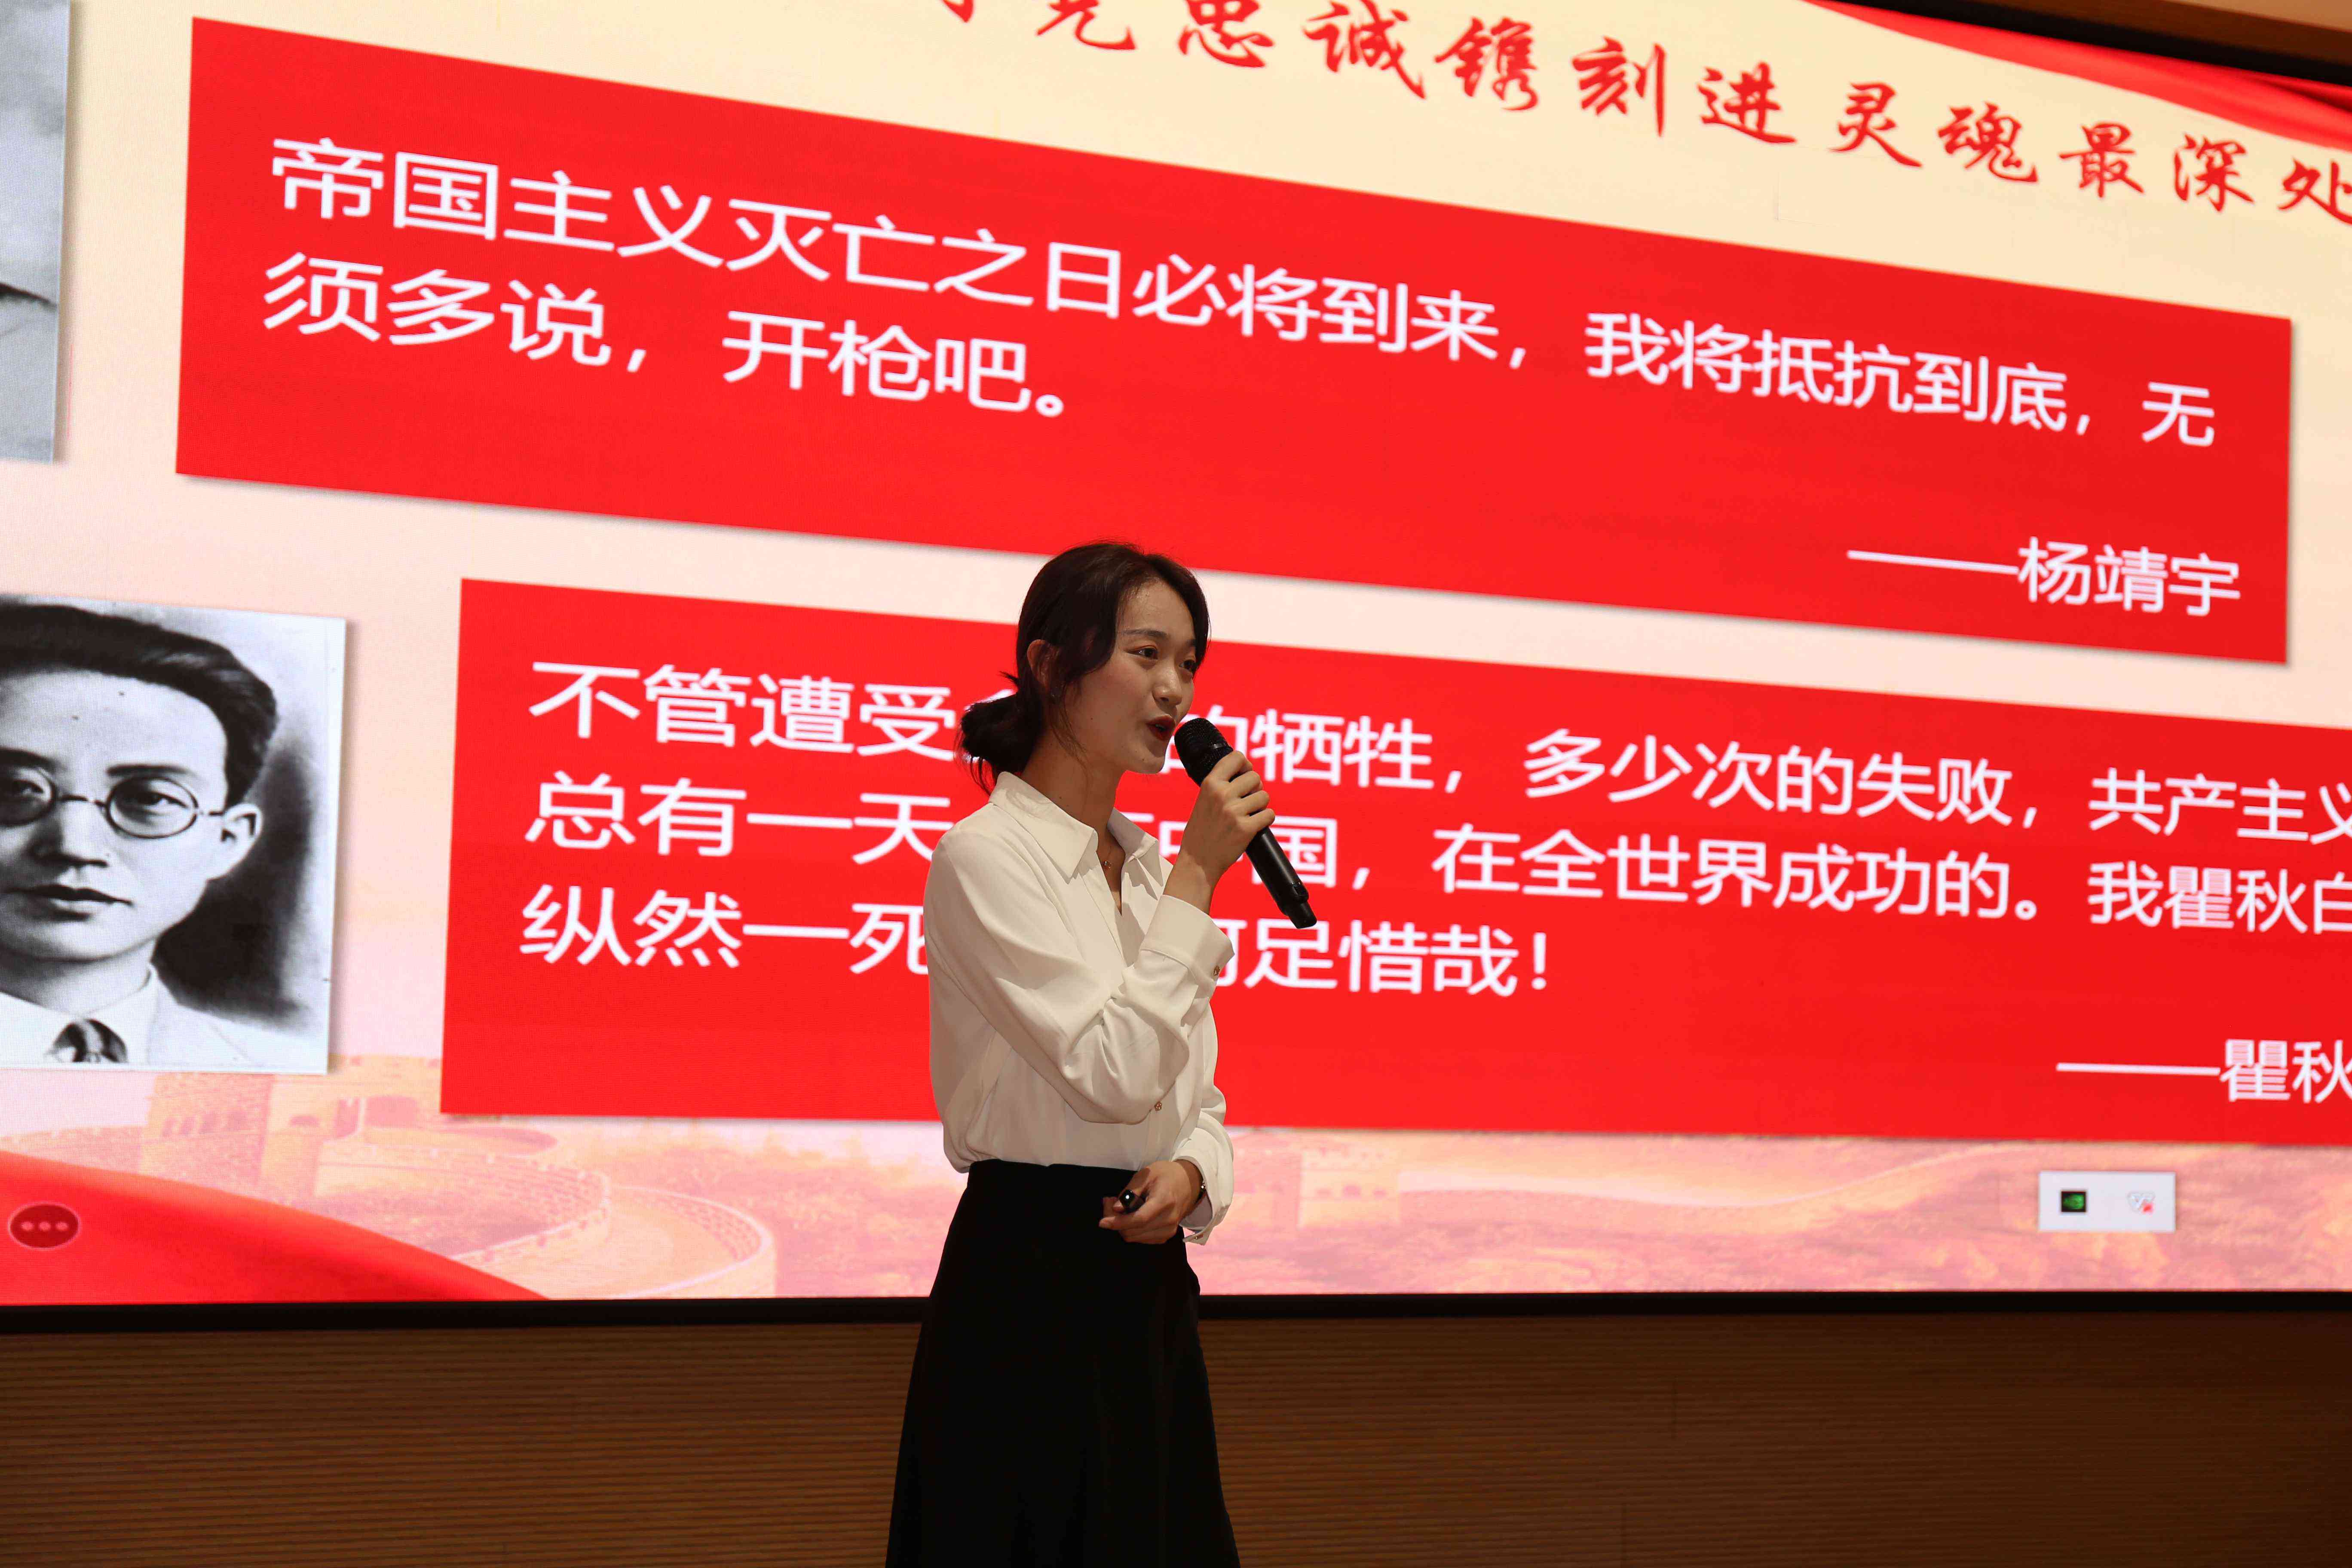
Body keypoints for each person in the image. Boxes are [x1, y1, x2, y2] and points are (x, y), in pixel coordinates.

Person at [888, 542, 1270, 1567]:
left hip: (1145, 1288)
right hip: (1029, 1279)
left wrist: (1194, 1173)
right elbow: (1111, 1075)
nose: (1174, 689)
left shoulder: (1143, 870)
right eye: (1146, 654)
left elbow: (1193, 1096)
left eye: (1188, 662)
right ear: (1053, 665)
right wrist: (1197, 878)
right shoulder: (986, 856)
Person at [0, 601, 301, 1069]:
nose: (74, 846)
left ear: (227, 841)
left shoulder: (281, 1066)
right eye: (14, 789)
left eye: (150, 799)